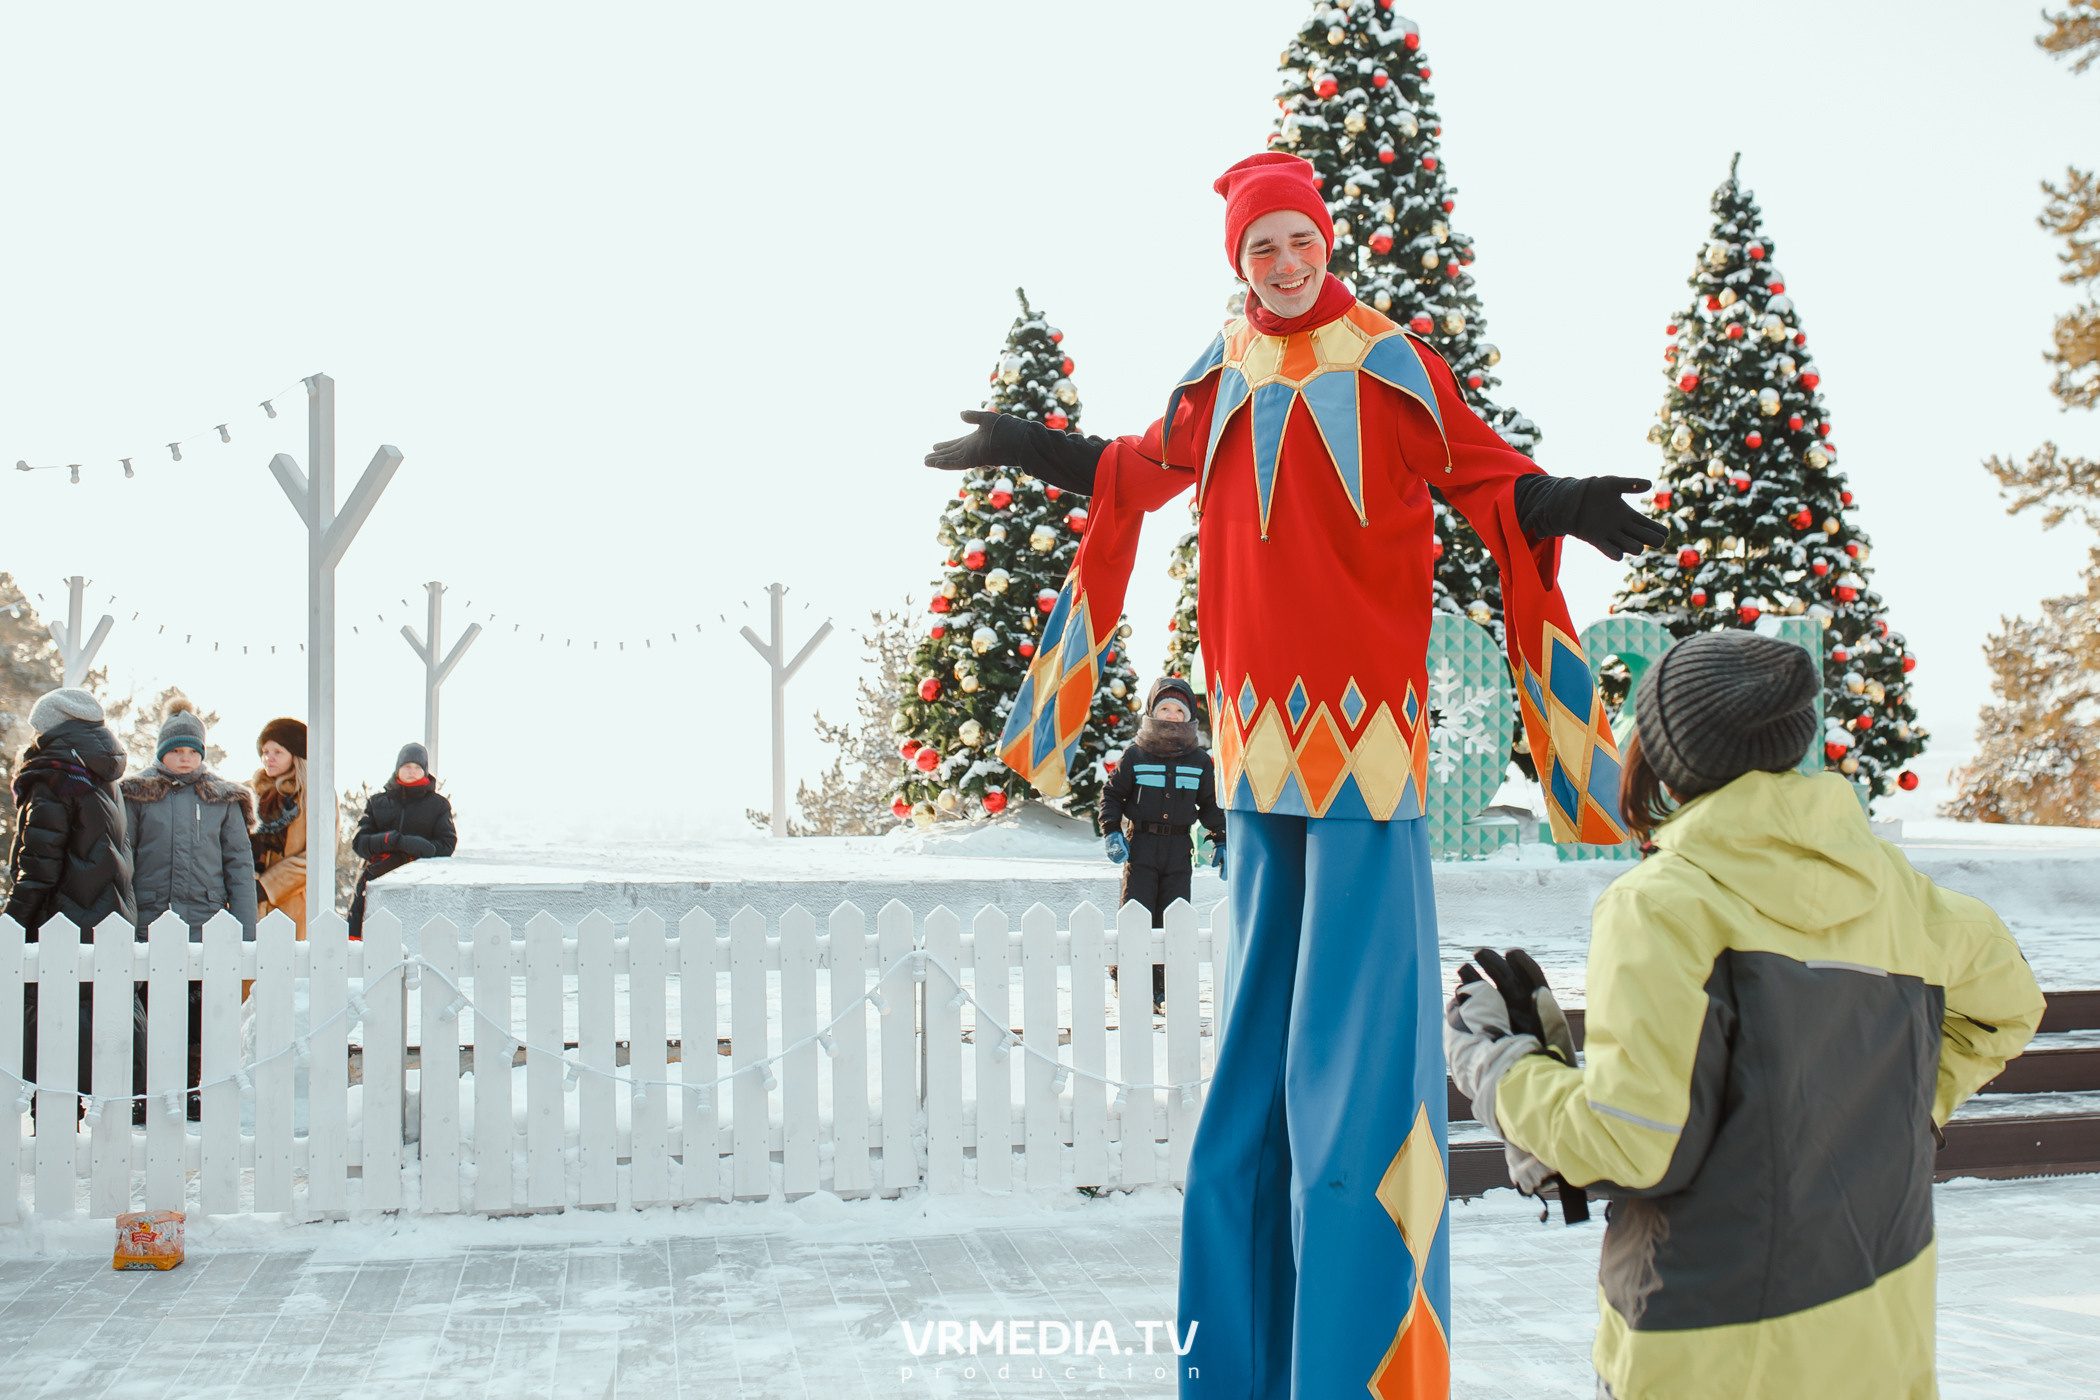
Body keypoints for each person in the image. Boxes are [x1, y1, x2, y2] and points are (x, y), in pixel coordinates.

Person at [925, 151, 1665, 1396]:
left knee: (1363, 1092)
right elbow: (1137, 469)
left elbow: (1487, 474)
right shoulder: (1221, 369)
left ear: (1327, 242)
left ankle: (1362, 1368)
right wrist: (1035, 446)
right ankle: (1244, 1369)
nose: (1282, 263)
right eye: (1260, 248)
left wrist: (1564, 499)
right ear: (1240, 262)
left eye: (1297, 241)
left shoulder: (1390, 361)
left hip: (1368, 761)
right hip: (1256, 758)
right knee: (1252, 1097)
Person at [1444, 631, 2046, 1400]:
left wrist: (1499, 1066)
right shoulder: (1897, 891)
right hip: (1879, 1345)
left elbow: (1633, 1144)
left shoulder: (1662, 907)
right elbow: (2007, 1009)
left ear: (1669, 755)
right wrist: (1882, 1112)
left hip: (1710, 1356)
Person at [121, 696, 256, 1117]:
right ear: (162, 752)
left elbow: (239, 866)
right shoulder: (138, 795)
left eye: (192, 751)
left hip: (205, 921)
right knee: (149, 1012)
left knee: (198, 1015)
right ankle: (144, 1092)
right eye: (176, 750)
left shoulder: (222, 800)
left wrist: (246, 931)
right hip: (148, 920)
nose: (184, 758)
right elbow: (124, 859)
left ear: (202, 753)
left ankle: (194, 1089)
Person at [5, 687, 137, 1105]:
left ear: (51, 728)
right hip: (106, 918)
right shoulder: (100, 776)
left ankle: (54, 1122)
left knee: (53, 1036)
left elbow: (38, 865)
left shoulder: (55, 777)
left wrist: (11, 922)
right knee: (97, 1031)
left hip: (59, 921)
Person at [1100, 677, 1226, 1012]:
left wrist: (1221, 838)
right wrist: (1111, 830)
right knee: (1137, 911)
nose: (1172, 715)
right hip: (1141, 845)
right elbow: (1113, 795)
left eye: (1179, 710)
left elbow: (1210, 805)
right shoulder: (1136, 755)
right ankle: (1127, 979)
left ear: (1189, 717)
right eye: (1165, 708)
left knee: (1174, 914)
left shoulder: (1199, 761)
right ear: (1152, 712)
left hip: (1178, 848)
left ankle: (1162, 987)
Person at [347, 742, 456, 938]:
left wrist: (421, 848)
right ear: (398, 769)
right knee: (364, 941)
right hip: (376, 880)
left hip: (421, 887)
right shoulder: (377, 802)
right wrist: (391, 840)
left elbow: (447, 844)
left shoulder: (438, 805)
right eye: (407, 766)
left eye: (417, 767)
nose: (412, 771)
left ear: (425, 771)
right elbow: (360, 842)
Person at [248, 717, 309, 938]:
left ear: (296, 755)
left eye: (277, 752)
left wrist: (267, 886)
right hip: (250, 904)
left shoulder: (312, 796)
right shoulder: (252, 795)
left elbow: (315, 858)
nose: (269, 758)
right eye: (265, 752)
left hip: (293, 907)